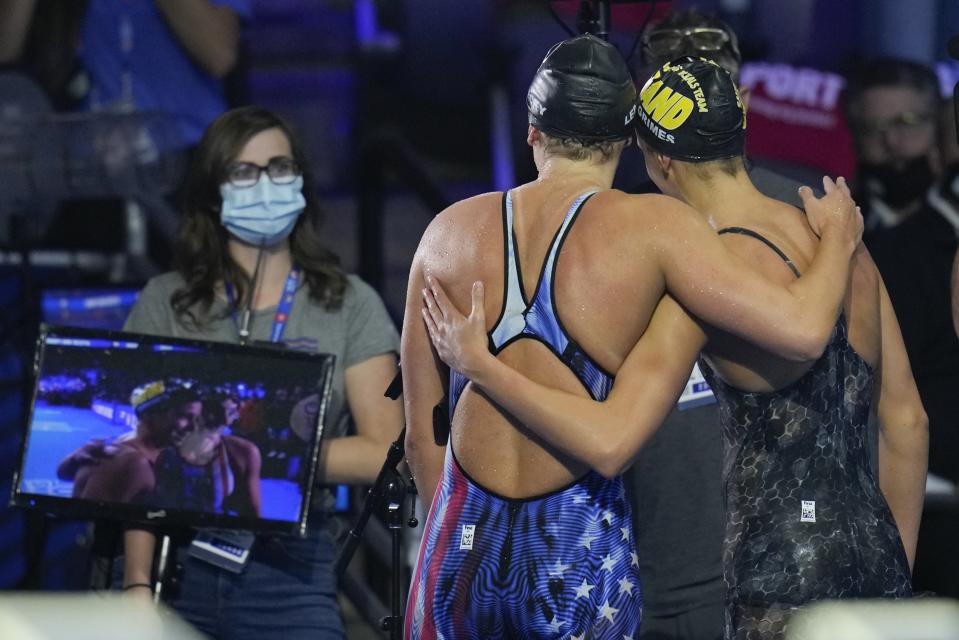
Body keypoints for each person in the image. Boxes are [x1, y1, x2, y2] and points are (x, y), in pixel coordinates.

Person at [421, 57, 927, 640]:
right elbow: (909, 423)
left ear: (661, 159)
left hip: (778, 569)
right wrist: (896, 583)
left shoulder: (703, 276)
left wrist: (481, 366)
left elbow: (610, 436)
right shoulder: (844, 245)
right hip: (877, 548)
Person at [119, 105, 404, 639]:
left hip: (292, 564)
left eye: (279, 167)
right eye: (244, 172)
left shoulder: (349, 303)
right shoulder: (165, 302)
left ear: (300, 181)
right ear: (212, 191)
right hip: (176, 559)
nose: (265, 184)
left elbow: (382, 451)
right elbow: (134, 454)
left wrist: (265, 451)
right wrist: (137, 585)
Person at [844, 59, 959, 490]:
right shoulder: (837, 233)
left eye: (908, 122)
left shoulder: (947, 232)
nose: (893, 142)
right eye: (874, 129)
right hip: (893, 467)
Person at [58, 379, 201, 503]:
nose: (193, 427)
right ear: (148, 414)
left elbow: (63, 473)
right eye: (185, 416)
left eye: (196, 419)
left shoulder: (114, 445)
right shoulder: (135, 463)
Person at [152, 394, 262, 517]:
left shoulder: (243, 452)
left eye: (231, 412)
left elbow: (253, 513)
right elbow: (148, 508)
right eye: (214, 410)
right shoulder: (166, 448)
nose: (222, 417)